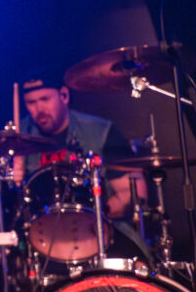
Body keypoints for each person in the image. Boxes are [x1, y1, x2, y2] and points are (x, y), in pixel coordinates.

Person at [13, 73, 146, 220]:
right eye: (31, 102)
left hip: (97, 226)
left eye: (45, 99)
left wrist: (98, 217)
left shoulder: (100, 131)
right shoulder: (17, 136)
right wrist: (13, 181)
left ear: (64, 96)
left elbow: (134, 193)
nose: (39, 109)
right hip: (40, 227)